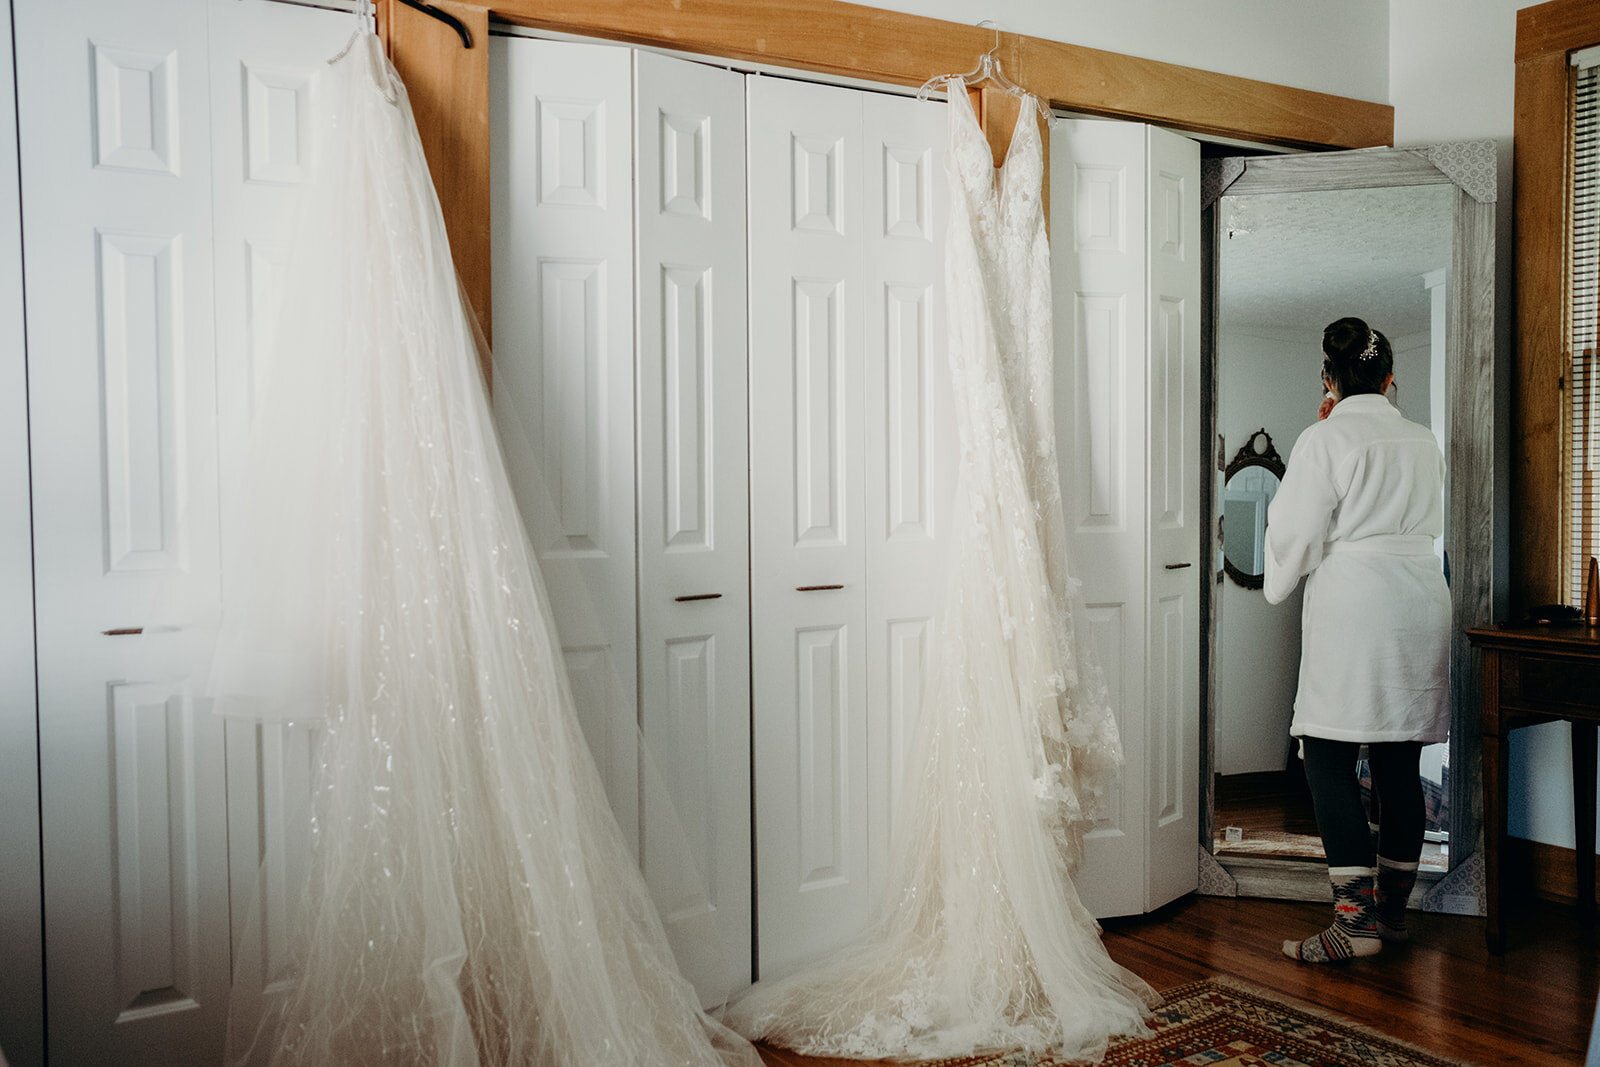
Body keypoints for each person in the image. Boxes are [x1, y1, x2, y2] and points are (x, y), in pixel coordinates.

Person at [1262, 316, 1450, 964]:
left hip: (1358, 603)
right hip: (1421, 597)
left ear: (1329, 378)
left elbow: (1294, 534)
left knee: (1327, 754)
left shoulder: (1324, 438)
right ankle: (1391, 915)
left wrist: (1327, 424)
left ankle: (1353, 923)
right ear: (1391, 378)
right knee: (1398, 757)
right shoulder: (1423, 441)